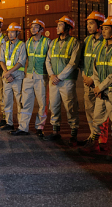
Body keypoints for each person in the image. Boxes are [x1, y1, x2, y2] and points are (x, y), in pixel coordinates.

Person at [80, 15, 112, 161]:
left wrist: (100, 86)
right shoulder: (101, 47)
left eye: (107, 28)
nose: (104, 31)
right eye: (104, 28)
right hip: (101, 89)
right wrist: (98, 85)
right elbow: (95, 67)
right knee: (97, 118)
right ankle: (94, 142)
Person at [44, 15, 81, 145]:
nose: (57, 27)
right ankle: (55, 132)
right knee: (54, 106)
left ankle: (73, 135)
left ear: (68, 27)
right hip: (53, 80)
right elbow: (48, 60)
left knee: (71, 108)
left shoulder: (75, 43)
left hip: (67, 81)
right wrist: (52, 75)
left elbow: (73, 63)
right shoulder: (53, 42)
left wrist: (59, 77)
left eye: (60, 25)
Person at [11, 19, 50, 136]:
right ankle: (23, 128)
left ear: (41, 30)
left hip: (41, 76)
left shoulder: (48, 42)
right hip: (28, 76)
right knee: (25, 102)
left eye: (36, 27)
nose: (32, 29)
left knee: (42, 103)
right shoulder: (27, 42)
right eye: (32, 27)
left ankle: (40, 128)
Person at [79, 11, 109, 149]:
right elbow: (84, 61)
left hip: (99, 84)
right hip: (87, 82)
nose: (88, 26)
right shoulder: (87, 40)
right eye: (87, 24)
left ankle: (102, 139)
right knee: (90, 110)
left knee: (101, 113)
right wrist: (84, 76)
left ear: (100, 25)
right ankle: (93, 136)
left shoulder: (106, 41)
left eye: (91, 23)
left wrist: (94, 81)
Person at [0, 22, 26, 131]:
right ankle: (9, 123)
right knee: (7, 101)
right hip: (7, 77)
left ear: (18, 32)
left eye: (12, 32)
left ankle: (20, 125)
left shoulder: (22, 45)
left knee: (19, 102)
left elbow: (21, 62)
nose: (10, 34)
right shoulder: (4, 45)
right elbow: (1, 60)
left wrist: (9, 73)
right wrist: (6, 72)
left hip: (17, 77)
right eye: (9, 32)